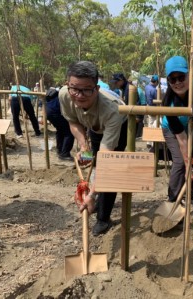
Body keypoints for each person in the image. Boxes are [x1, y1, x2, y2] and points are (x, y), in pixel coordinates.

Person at [59, 61, 128, 236]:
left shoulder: (112, 111)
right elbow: (73, 121)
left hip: (117, 124)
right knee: (93, 163)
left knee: (108, 171)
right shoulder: (65, 95)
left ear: (96, 89)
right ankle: (95, 198)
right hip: (93, 125)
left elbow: (106, 161)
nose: (79, 95)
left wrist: (92, 194)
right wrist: (84, 146)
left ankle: (103, 219)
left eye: (86, 90)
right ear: (68, 85)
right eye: (74, 88)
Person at [161, 56, 193, 207]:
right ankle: (173, 200)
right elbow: (182, 140)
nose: (178, 83)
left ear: (189, 75)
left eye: (181, 77)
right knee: (180, 162)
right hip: (173, 132)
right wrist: (187, 164)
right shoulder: (168, 105)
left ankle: (191, 195)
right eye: (173, 79)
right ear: (169, 81)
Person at [45, 87, 74, 161]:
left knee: (60, 130)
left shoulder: (59, 94)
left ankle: (60, 150)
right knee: (69, 132)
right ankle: (64, 154)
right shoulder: (68, 93)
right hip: (56, 112)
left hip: (49, 111)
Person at [145, 75, 159, 148]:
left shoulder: (146, 87)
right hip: (153, 108)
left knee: (150, 124)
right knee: (154, 124)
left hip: (148, 106)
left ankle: (148, 142)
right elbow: (157, 99)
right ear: (156, 82)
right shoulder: (154, 90)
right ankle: (153, 142)